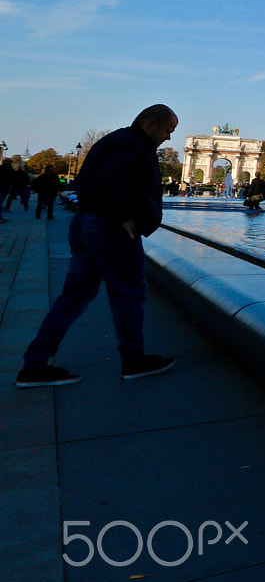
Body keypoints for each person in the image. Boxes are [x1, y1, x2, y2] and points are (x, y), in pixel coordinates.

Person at [16, 104, 180, 387]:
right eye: (168, 130)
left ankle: (35, 365)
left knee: (74, 297)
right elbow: (109, 182)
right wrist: (127, 219)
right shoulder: (130, 144)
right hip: (110, 228)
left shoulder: (120, 141)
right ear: (151, 124)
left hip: (90, 224)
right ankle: (134, 360)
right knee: (129, 292)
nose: (168, 137)